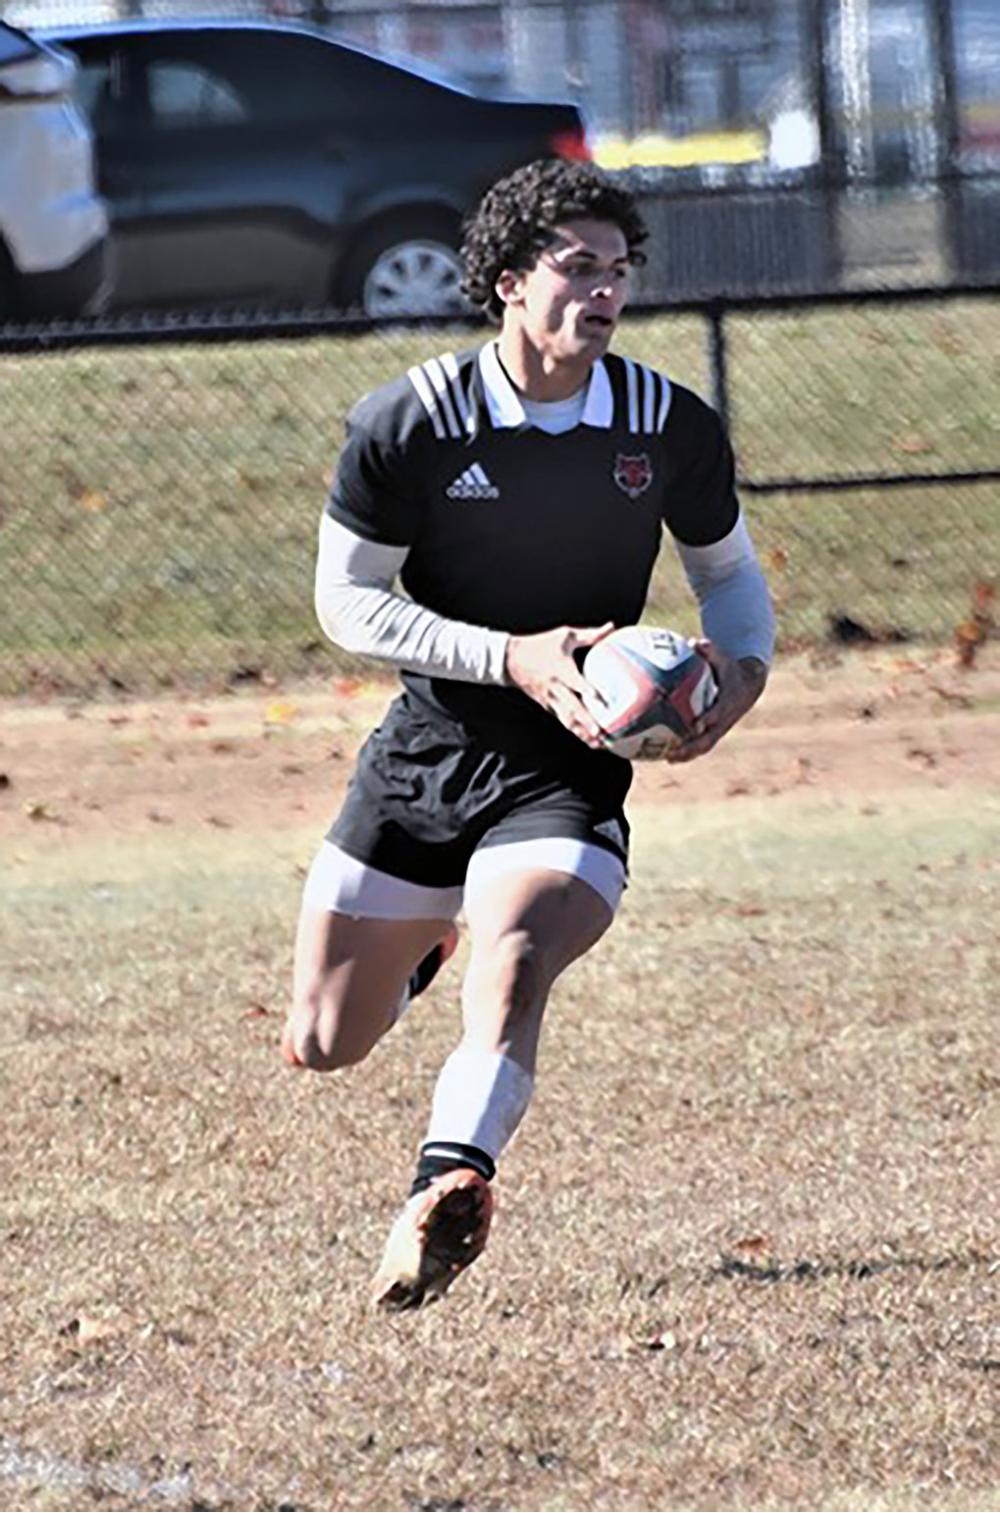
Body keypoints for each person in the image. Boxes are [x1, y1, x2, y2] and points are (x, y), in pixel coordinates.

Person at [282, 158, 775, 1310]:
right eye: (576, 267)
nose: (603, 291)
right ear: (508, 280)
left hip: (569, 766)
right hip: (426, 755)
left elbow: (729, 577)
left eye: (618, 271)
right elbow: (346, 603)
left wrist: (741, 674)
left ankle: (447, 1181)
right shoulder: (413, 420)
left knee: (514, 956)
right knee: (322, 1038)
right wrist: (513, 655)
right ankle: (426, 944)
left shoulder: (664, 423)